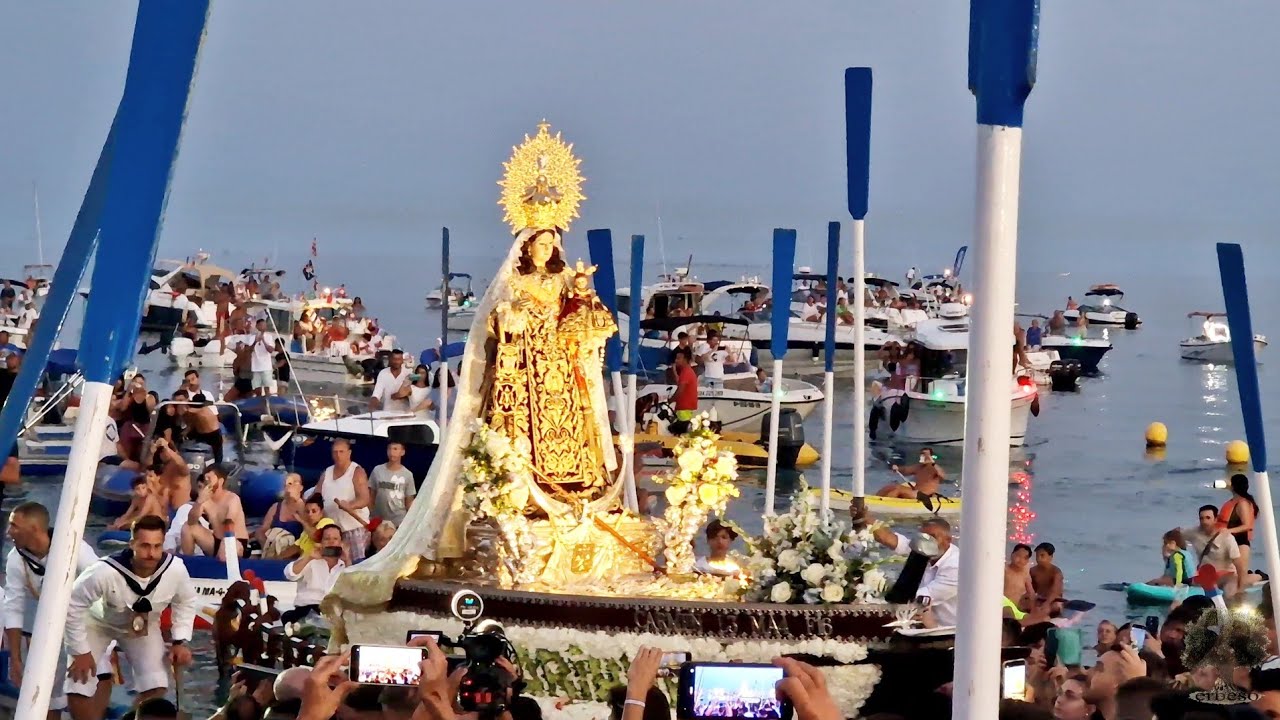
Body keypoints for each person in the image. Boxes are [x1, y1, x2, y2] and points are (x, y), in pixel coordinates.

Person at [64, 515, 196, 708]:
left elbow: (186, 600)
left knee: (157, 684)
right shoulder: (104, 571)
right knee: (79, 682)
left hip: (143, 627)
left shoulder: (175, 570)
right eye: (144, 546)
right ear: (132, 544)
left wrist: (179, 641)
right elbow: (72, 604)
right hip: (97, 624)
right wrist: (80, 651)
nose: (151, 553)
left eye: (157, 546)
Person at [4, 502, 113, 719]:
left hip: (90, 624)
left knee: (89, 677)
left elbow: (106, 584)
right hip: (51, 630)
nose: (8, 533)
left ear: (34, 529)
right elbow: (13, 607)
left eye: (14, 526)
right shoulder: (16, 559)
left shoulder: (75, 549)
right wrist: (15, 658)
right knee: (47, 692)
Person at [870, 516, 959, 626]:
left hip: (949, 630)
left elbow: (919, 597)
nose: (926, 542)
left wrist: (876, 597)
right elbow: (889, 539)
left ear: (948, 540)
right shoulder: (922, 546)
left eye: (933, 537)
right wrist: (866, 519)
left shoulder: (955, 566)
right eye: (923, 537)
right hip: (920, 619)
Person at [314, 439, 372, 561]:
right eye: (335, 452)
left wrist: (351, 505)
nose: (338, 455)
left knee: (354, 565)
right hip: (332, 532)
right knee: (332, 563)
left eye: (341, 451)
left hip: (353, 529)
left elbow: (365, 499)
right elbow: (316, 497)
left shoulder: (357, 471)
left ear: (349, 453)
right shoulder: (327, 472)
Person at [280, 523, 348, 624]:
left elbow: (355, 587)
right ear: (321, 542)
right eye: (327, 539)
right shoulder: (310, 560)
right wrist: (308, 557)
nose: (331, 542)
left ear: (341, 543)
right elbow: (290, 574)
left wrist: (347, 560)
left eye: (335, 539)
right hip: (307, 608)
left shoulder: (345, 566)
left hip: (333, 613)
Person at [180, 466, 250, 560]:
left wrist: (225, 544)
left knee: (226, 550)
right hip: (216, 541)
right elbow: (191, 521)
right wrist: (199, 502)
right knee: (187, 528)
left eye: (209, 478)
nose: (206, 481)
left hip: (234, 541)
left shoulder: (232, 498)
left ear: (220, 481)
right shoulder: (206, 500)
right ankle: (187, 563)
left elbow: (229, 523)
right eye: (205, 478)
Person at [1183, 503, 1248, 595]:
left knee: (1229, 594)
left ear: (1216, 519)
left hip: (1226, 576)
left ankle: (1259, 577)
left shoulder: (1227, 538)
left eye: (1208, 518)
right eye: (1201, 518)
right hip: (1205, 577)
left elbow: (1238, 564)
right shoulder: (1194, 533)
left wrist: (1241, 588)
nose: (1204, 521)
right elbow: (1175, 536)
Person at [257, 473, 308, 559]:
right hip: (273, 552)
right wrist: (268, 544)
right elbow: (262, 530)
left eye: (293, 482)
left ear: (301, 488)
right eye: (287, 483)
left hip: (295, 555)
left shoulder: (306, 508)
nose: (289, 486)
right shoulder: (276, 507)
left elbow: (308, 535)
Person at [1220, 473, 1258, 583]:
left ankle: (1261, 576)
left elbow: (1247, 525)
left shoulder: (1243, 503)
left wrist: (1228, 531)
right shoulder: (1233, 502)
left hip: (1241, 543)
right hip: (1229, 543)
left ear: (1233, 486)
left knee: (1240, 577)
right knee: (1231, 575)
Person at [877, 448, 948, 503]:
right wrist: (897, 468)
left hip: (925, 495)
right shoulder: (918, 467)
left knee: (898, 489)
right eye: (922, 454)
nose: (924, 456)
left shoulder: (934, 468)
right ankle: (874, 499)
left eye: (926, 454)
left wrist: (933, 463)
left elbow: (942, 476)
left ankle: (888, 504)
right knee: (891, 487)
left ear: (931, 456)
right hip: (916, 492)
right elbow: (905, 470)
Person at [370, 441, 416, 526]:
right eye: (389, 449)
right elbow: (371, 495)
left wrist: (411, 520)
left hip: (399, 520)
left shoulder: (407, 474)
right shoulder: (377, 470)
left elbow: (409, 500)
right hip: (379, 519)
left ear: (402, 452)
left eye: (395, 449)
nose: (392, 452)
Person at [669, 352, 699, 424]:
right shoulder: (688, 371)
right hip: (686, 407)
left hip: (684, 407)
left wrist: (670, 401)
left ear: (685, 360)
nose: (676, 361)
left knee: (683, 431)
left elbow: (680, 390)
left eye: (678, 358)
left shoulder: (686, 372)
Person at [1005, 543, 1036, 611]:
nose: (1021, 560)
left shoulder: (1025, 573)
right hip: (1004, 607)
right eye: (1018, 556)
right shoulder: (1004, 570)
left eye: (1025, 558)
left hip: (1017, 609)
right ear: (1012, 554)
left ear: (1027, 561)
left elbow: (1031, 592)